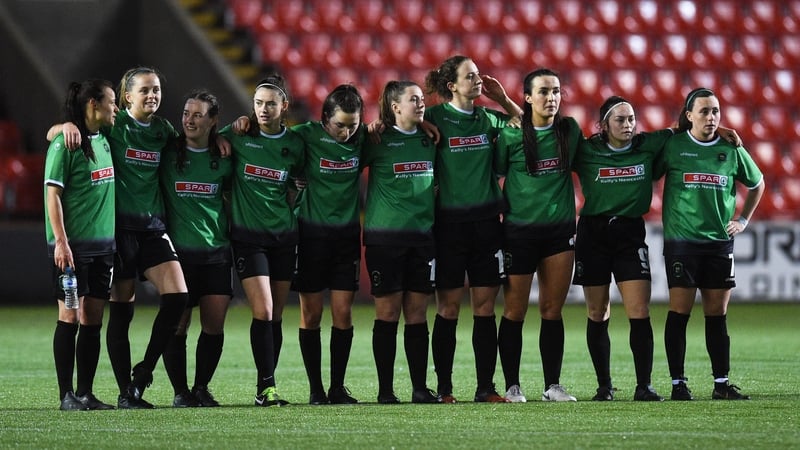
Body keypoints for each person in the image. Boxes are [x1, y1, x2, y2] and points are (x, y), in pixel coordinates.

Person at [48, 67, 191, 408]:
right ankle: (126, 391)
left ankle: (143, 373)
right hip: (117, 233)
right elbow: (71, 132)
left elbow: (192, 143)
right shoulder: (114, 126)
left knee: (178, 297)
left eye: (157, 89)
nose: (152, 95)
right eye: (145, 90)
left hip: (153, 228)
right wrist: (63, 126)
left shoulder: (163, 131)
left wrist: (224, 138)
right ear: (127, 97)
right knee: (117, 312)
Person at [423, 55, 523, 403]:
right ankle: (446, 390)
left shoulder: (488, 118)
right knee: (448, 309)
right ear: (451, 86)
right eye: (472, 76)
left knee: (484, 309)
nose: (479, 80)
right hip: (448, 226)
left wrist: (503, 98)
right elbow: (398, 121)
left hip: (485, 225)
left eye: (479, 74)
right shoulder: (434, 117)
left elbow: (528, 125)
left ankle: (485, 388)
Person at [658, 87, 764, 401]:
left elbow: (757, 184)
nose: (711, 117)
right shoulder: (674, 146)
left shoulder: (731, 148)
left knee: (716, 314)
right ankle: (678, 384)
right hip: (682, 242)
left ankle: (721, 383)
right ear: (688, 115)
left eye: (716, 110)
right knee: (679, 312)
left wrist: (743, 220)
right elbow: (646, 173)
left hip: (718, 243)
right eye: (704, 111)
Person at [572, 96, 671, 402]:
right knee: (597, 311)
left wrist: (721, 131)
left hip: (630, 233)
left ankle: (644, 386)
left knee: (639, 310)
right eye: (620, 120)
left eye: (631, 119)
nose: (628, 125)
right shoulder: (587, 150)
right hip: (593, 233)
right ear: (604, 125)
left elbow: (685, 129)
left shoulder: (648, 146)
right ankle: (605, 386)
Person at [494, 68, 582, 402]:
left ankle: (553, 386)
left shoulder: (570, 130)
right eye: (543, 91)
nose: (552, 98)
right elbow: (497, 173)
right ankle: (512, 386)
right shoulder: (510, 135)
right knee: (514, 311)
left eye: (556, 91)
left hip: (560, 231)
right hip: (518, 232)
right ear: (528, 97)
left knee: (551, 310)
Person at [220, 75, 304, 407]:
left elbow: (300, 179)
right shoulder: (239, 135)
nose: (263, 110)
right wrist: (231, 128)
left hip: (284, 236)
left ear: (284, 106)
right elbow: (206, 140)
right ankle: (266, 389)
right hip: (248, 238)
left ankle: (265, 386)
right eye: (257, 103)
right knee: (264, 310)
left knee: (277, 316)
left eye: (270, 103)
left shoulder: (295, 144)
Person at [362, 80, 441, 404]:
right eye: (413, 99)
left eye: (422, 99)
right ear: (395, 107)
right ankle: (385, 391)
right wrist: (366, 130)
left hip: (422, 238)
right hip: (385, 239)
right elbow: (344, 153)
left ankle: (420, 388)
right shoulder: (377, 140)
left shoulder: (429, 138)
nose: (421, 103)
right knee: (388, 313)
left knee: (418, 314)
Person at [45, 79, 118, 411]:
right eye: (111, 102)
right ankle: (65, 396)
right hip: (72, 249)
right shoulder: (64, 144)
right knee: (70, 316)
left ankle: (85, 393)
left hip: (104, 248)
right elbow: (53, 195)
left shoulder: (103, 139)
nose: (115, 108)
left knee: (93, 319)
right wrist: (61, 242)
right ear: (93, 104)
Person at [291, 84, 366, 405]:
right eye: (340, 125)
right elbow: (270, 142)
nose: (347, 132)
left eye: (354, 124)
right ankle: (315, 389)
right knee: (310, 314)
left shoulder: (364, 138)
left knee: (343, 314)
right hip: (310, 235)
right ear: (324, 120)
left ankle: (337, 387)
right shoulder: (305, 135)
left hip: (346, 236)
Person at [160, 90, 232, 407]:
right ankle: (180, 392)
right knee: (179, 325)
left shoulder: (224, 158)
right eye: (186, 113)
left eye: (198, 114)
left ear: (213, 121)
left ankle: (201, 387)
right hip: (179, 255)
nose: (189, 120)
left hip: (216, 253)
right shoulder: (168, 153)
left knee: (214, 326)